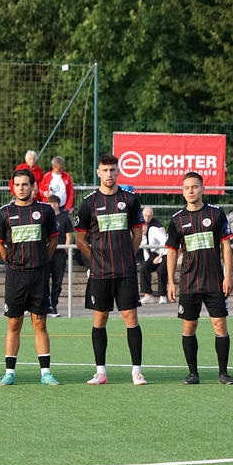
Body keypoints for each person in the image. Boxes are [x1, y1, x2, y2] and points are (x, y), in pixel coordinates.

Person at [75, 154, 146, 386]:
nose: (109, 174)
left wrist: (127, 255)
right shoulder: (88, 203)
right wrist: (96, 260)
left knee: (131, 317)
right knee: (100, 318)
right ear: (98, 172)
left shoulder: (130, 200)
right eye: (105, 170)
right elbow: (80, 239)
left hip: (125, 270)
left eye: (112, 169)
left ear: (118, 171)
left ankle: (136, 371)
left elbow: (137, 234)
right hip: (99, 272)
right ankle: (101, 372)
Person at [165, 172, 233, 385]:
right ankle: (193, 373)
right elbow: (171, 252)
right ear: (183, 191)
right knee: (189, 327)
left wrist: (228, 276)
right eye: (187, 188)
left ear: (202, 189)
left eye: (194, 187)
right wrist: (171, 281)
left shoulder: (216, 214)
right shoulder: (177, 219)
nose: (191, 191)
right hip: (189, 282)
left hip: (215, 280)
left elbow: (226, 246)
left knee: (220, 325)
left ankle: (223, 373)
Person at [0, 168, 61, 386]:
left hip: (39, 274)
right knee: (14, 323)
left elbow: (53, 240)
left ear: (33, 186)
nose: (21, 188)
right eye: (17, 185)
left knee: (40, 323)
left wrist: (42, 259)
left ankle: (46, 373)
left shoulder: (45, 210)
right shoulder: (4, 212)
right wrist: (9, 260)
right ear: (12, 187)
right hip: (16, 275)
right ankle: (9, 373)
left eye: (25, 184)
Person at [46, 194, 73, 316]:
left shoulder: (64, 218)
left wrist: (66, 247)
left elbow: (69, 234)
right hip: (48, 253)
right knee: (44, 280)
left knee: (57, 281)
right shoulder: (46, 218)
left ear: (56, 204)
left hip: (60, 253)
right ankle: (46, 305)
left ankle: (54, 306)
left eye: (50, 204)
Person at [139, 205, 165, 304]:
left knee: (161, 270)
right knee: (144, 268)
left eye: (149, 216)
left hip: (163, 253)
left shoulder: (154, 227)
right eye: (145, 216)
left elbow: (164, 239)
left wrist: (160, 256)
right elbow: (145, 247)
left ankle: (163, 295)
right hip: (153, 254)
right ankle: (148, 295)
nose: (147, 218)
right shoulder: (140, 223)